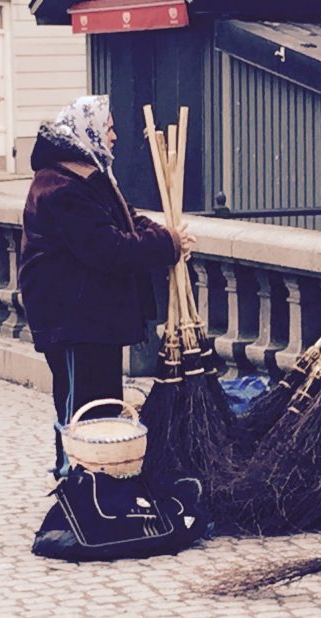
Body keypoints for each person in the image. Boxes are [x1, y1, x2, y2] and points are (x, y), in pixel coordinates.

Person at [19, 95, 194, 477]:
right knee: (81, 403)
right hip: (72, 319)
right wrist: (167, 245)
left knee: (101, 401)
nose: (114, 136)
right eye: (108, 127)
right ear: (87, 133)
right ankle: (75, 476)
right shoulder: (60, 188)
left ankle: (98, 475)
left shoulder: (89, 177)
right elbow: (109, 249)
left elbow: (127, 221)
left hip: (92, 318)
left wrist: (163, 235)